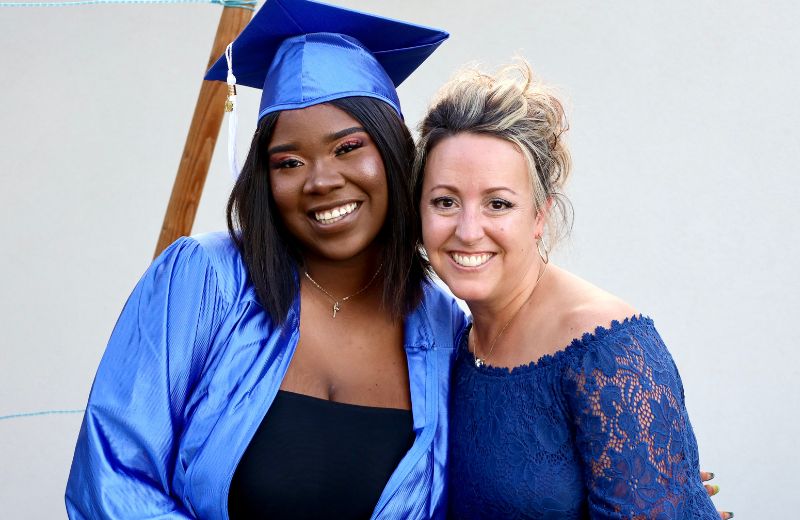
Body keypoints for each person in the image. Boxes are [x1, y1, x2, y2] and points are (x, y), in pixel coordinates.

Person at [64, 1, 466, 519]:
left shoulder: (445, 329)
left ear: (393, 152)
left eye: (348, 147)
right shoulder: (203, 280)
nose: (321, 180)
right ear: (265, 178)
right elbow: (113, 479)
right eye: (289, 162)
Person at [415, 61, 733, 519]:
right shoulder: (454, 342)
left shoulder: (609, 351)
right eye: (445, 201)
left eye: (498, 203)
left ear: (540, 215)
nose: (468, 230)